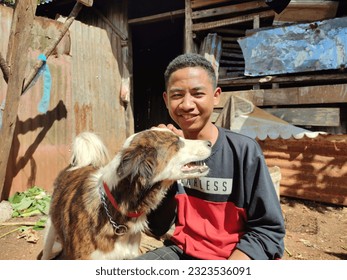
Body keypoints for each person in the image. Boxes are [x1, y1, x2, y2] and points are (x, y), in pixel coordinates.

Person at [135, 53, 285, 260]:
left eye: (197, 94)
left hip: (233, 257)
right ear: (166, 100)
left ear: (216, 96)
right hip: (182, 251)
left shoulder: (244, 152)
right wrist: (163, 167)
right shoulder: (167, 153)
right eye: (177, 95)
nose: (187, 104)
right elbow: (157, 227)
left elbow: (268, 232)